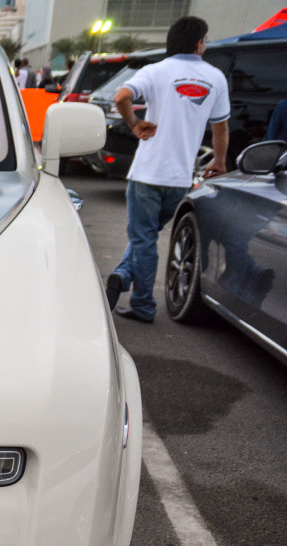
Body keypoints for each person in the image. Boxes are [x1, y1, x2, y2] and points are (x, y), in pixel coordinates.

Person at [105, 16, 229, 323]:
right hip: (179, 179)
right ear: (200, 43)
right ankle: (122, 275)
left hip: (147, 174)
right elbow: (221, 129)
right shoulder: (216, 78)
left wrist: (134, 124)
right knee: (145, 237)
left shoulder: (155, 71)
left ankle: (142, 305)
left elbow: (121, 96)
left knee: (143, 238)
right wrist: (220, 162)